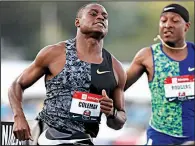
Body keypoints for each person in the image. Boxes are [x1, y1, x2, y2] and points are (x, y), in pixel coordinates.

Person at [8, 3, 127, 145]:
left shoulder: (116, 68)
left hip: (82, 140)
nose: (101, 17)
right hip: (47, 135)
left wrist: (111, 112)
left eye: (105, 16)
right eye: (93, 14)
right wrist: (19, 116)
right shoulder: (54, 53)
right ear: (78, 22)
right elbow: (17, 84)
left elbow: (119, 121)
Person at [125, 3, 194, 145]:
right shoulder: (147, 55)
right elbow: (118, 87)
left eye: (175, 21)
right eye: (163, 20)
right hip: (160, 136)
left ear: (186, 26)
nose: (168, 25)